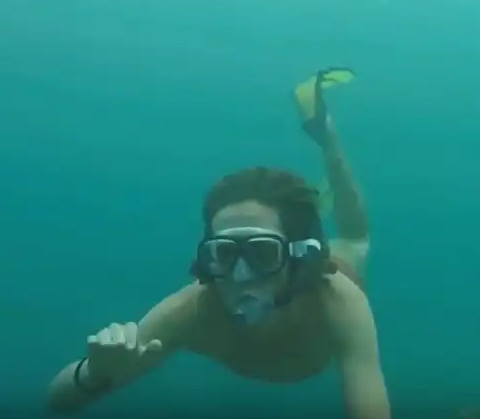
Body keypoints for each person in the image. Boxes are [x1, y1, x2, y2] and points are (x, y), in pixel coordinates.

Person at [47, 68, 390, 419]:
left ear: (297, 256)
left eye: (262, 252)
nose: (241, 274)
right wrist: (94, 373)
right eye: (224, 253)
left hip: (330, 270)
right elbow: (59, 402)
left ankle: (328, 140)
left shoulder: (337, 301)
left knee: (355, 240)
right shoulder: (190, 311)